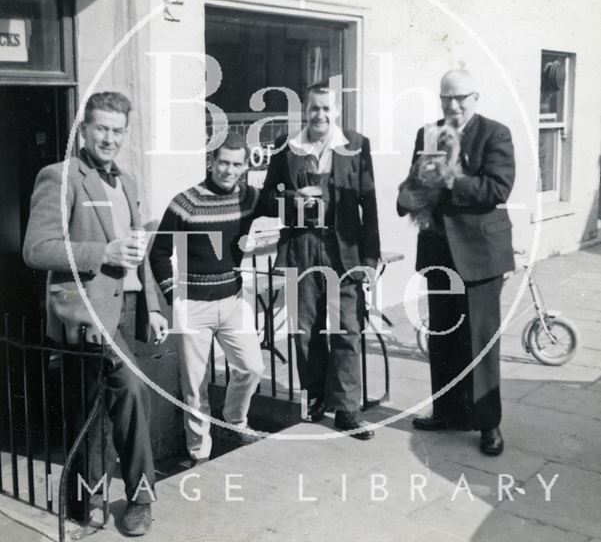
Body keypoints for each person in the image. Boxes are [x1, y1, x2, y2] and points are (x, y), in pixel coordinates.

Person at [23, 91, 168, 536]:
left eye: (117, 130)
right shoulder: (59, 177)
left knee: (106, 403)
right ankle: (121, 497)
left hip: (125, 308)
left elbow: (138, 251)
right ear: (83, 129)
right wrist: (99, 251)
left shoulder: (128, 181)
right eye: (101, 128)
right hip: (83, 314)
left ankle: (99, 500)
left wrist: (155, 306)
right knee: (119, 396)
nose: (109, 138)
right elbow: (36, 250)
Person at [397, 69, 515, 456]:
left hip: (480, 253)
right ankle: (448, 411)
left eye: (461, 97)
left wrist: (448, 180)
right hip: (438, 250)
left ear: (475, 97)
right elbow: (416, 180)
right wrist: (407, 194)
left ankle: (488, 424)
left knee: (480, 341)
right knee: (444, 336)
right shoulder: (428, 133)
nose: (453, 105)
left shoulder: (494, 133)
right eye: (446, 98)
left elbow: (497, 189)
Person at [260, 80, 381, 440]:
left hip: (343, 248)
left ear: (337, 112)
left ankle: (346, 410)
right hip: (301, 246)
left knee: (347, 326)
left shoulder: (356, 146)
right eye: (314, 108)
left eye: (327, 109)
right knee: (304, 327)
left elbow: (369, 206)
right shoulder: (288, 145)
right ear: (305, 110)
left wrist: (371, 259)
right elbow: (268, 196)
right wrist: (292, 200)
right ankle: (313, 398)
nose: (320, 115)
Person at [149, 132, 265, 463]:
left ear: (245, 167)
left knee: (252, 368)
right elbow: (159, 253)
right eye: (223, 162)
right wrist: (174, 297)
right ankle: (199, 454)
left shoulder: (248, 198)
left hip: (232, 302)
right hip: (192, 305)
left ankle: (234, 422)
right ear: (211, 162)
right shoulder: (185, 202)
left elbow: (281, 198)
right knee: (194, 386)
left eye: (236, 164)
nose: (228, 170)